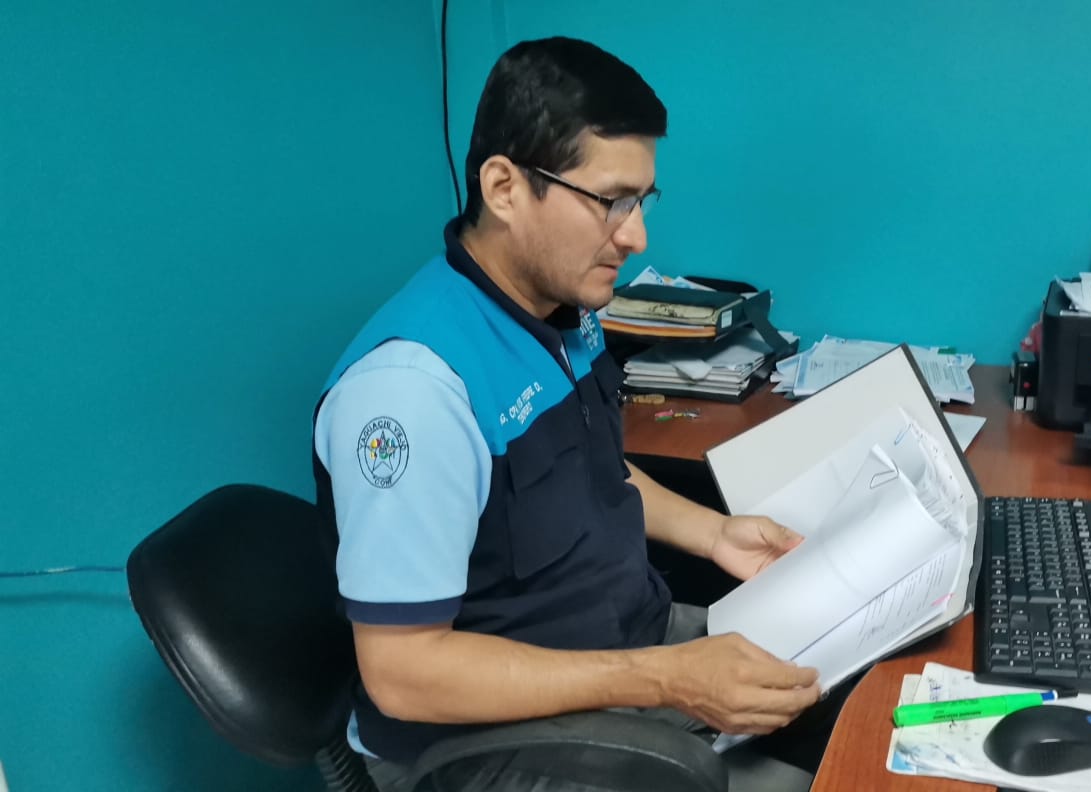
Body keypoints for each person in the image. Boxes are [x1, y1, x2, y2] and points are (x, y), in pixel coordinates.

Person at [311, 36, 822, 791]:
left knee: (848, 689)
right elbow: (404, 674)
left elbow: (589, 473)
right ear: (504, 187)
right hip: (488, 747)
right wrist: (667, 678)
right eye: (611, 201)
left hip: (623, 649)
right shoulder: (412, 394)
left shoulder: (561, 307)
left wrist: (715, 534)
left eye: (642, 201)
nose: (636, 235)